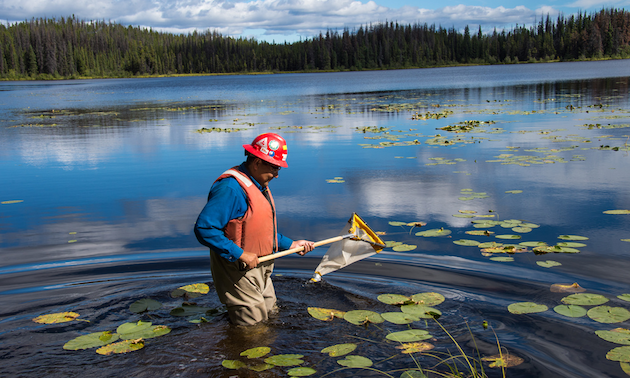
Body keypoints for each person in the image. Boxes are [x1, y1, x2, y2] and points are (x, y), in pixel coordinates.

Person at [194, 133, 314, 325]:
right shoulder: (230, 189)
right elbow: (205, 228)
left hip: (261, 264)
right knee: (253, 327)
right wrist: (240, 254)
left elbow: (256, 230)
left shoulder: (259, 184)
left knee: (271, 313)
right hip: (238, 266)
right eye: (274, 167)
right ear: (257, 162)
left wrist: (290, 244)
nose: (276, 174)